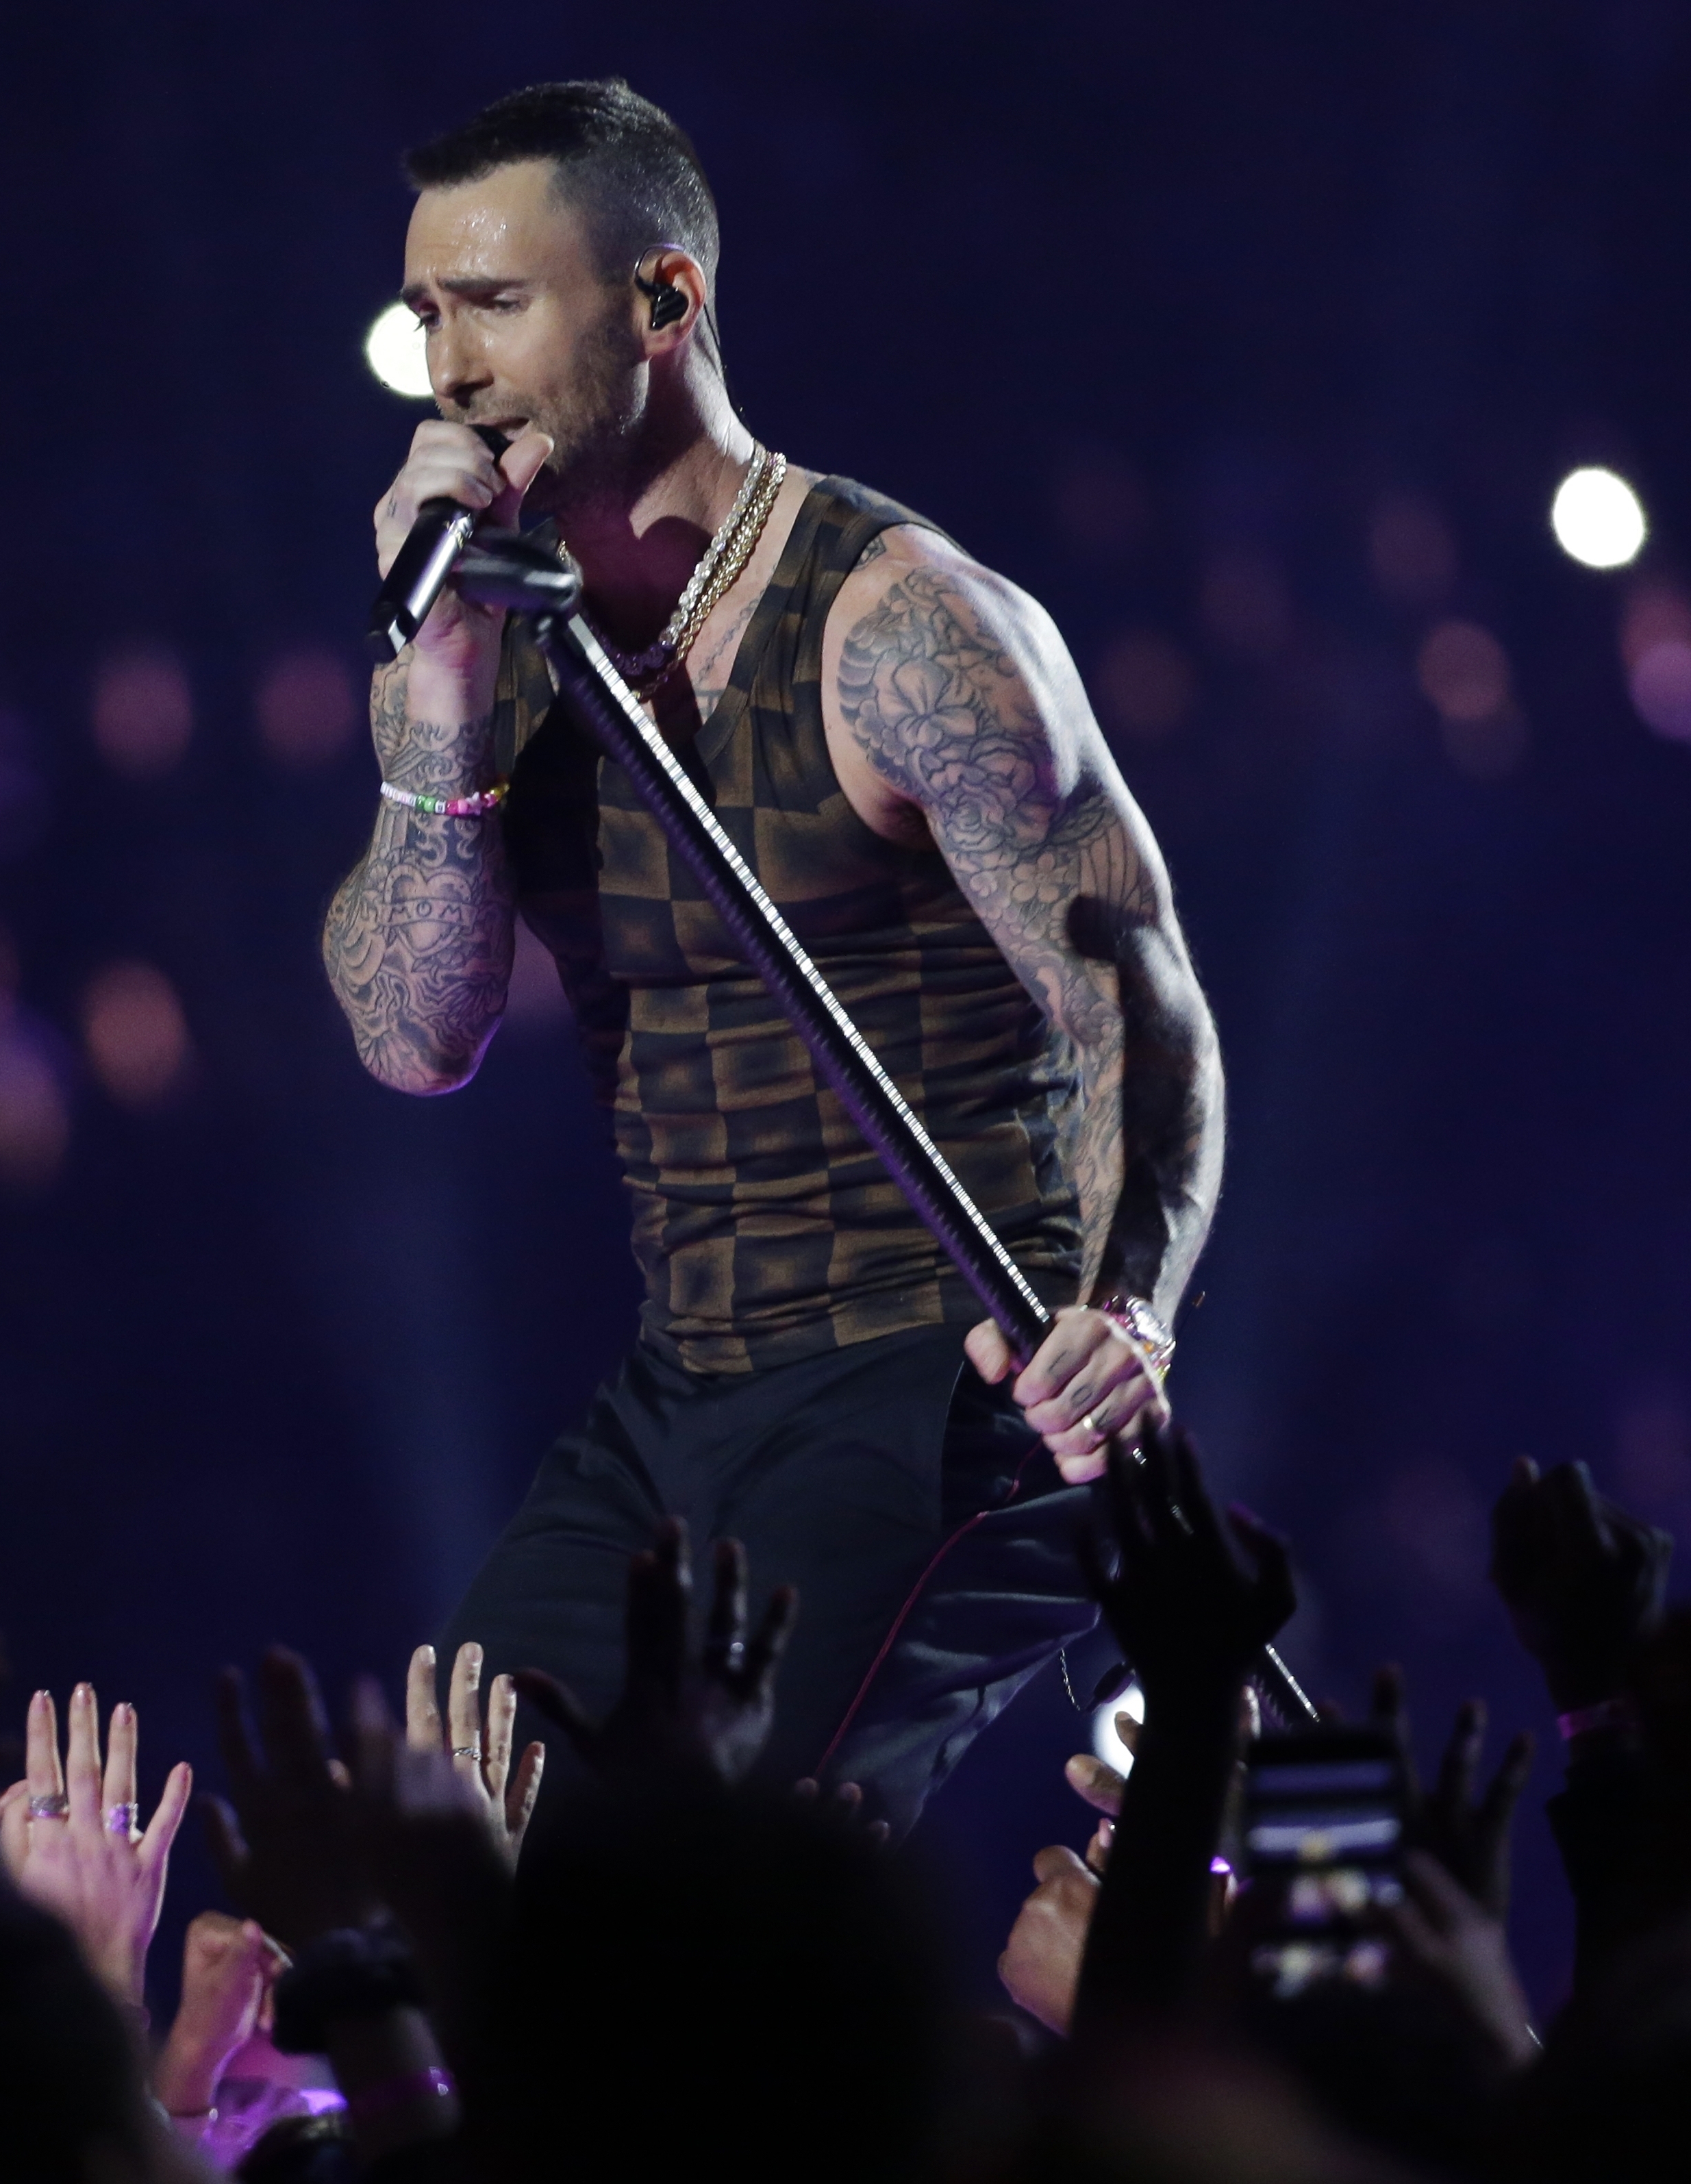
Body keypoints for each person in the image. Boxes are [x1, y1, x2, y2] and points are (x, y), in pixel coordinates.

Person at [320, 79, 1226, 1826]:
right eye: (430, 312)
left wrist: (1126, 1309)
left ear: (665, 303)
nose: (448, 367)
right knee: (433, 1830)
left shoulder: (902, 627)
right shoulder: (473, 631)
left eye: (497, 304)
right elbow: (410, 1038)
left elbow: (1136, 1000)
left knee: (681, 1862)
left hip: (949, 1373)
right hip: (688, 1378)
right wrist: (430, 703)